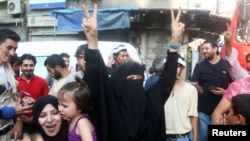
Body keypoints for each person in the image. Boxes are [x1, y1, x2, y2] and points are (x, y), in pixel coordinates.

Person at [191, 40, 233, 140]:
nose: (204, 51)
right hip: (204, 110)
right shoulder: (199, 65)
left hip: (222, 112)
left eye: (207, 48)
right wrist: (199, 89)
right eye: (203, 49)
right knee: (204, 136)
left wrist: (225, 92)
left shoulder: (225, 64)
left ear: (215, 49)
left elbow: (233, 83)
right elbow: (194, 82)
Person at [0, 29, 33, 140]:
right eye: (9, 48)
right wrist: (9, 112)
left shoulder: (8, 67)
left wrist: (19, 122)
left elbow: (15, 99)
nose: (12, 53)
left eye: (15, 49)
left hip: (9, 131)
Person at [110, 61, 147, 141]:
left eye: (139, 78)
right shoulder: (112, 109)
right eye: (131, 78)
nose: (136, 82)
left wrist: (174, 48)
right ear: (121, 81)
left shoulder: (147, 104)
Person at [17, 53, 49, 134]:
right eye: (25, 65)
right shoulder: (15, 82)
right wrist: (19, 119)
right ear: (21, 66)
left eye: (31, 65)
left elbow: (48, 102)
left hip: (39, 122)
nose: (28, 68)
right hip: (19, 124)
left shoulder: (42, 81)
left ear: (34, 66)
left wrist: (34, 118)